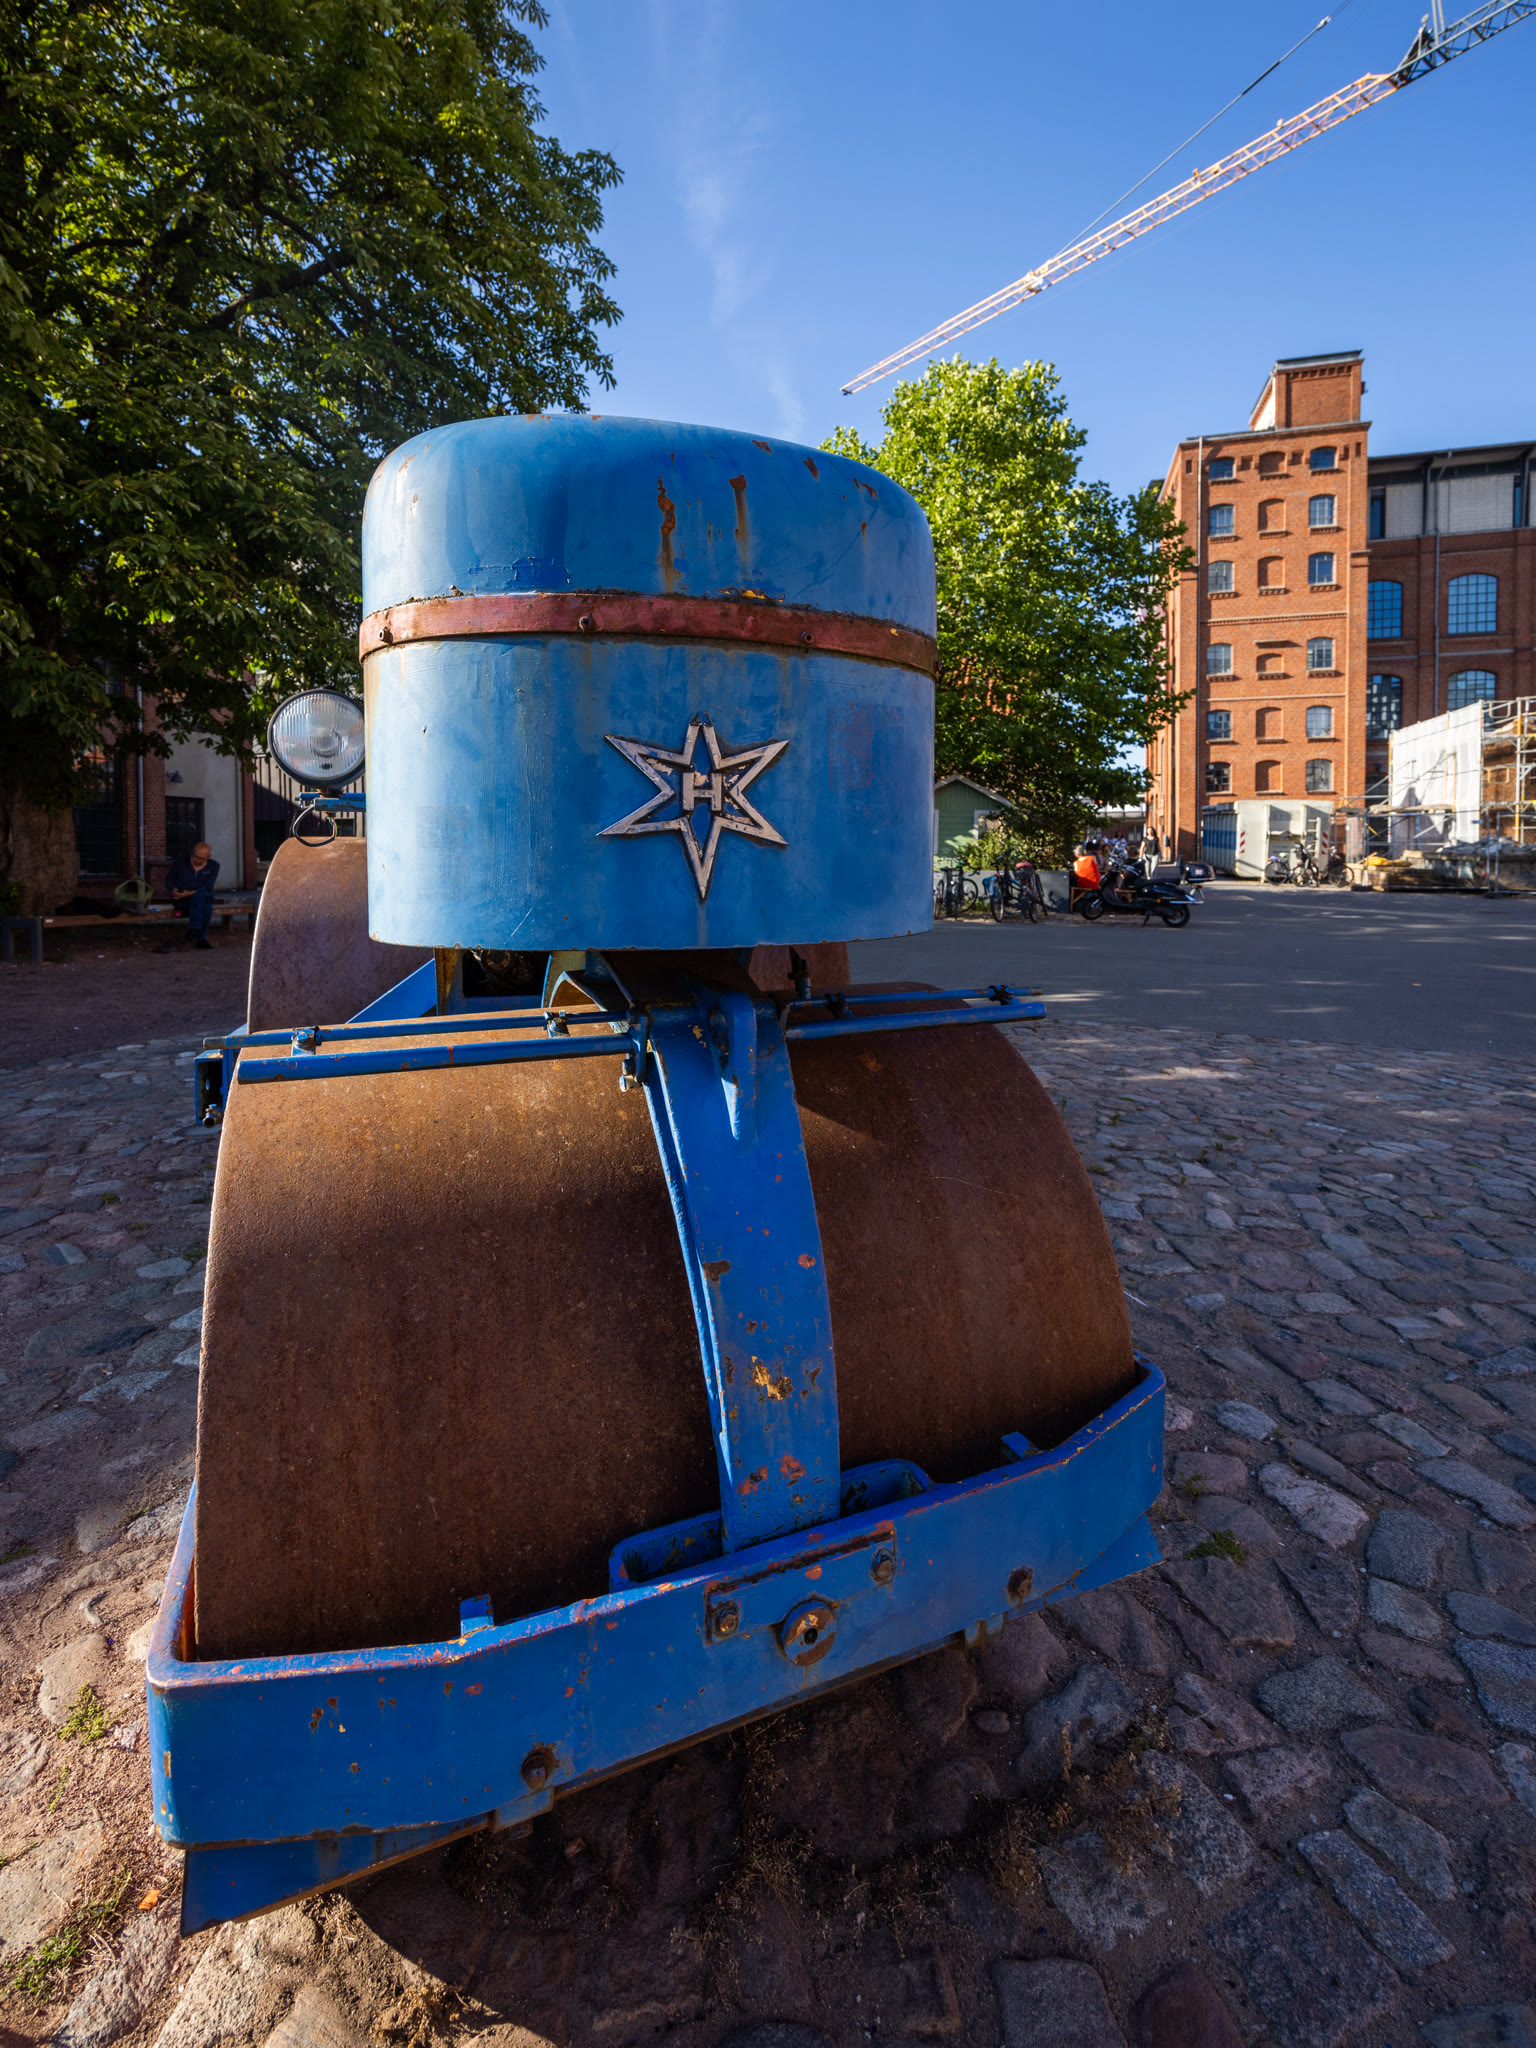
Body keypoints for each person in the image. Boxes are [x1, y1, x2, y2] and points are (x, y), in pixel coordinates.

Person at [158, 841, 219, 951]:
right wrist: (173, 890)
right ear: (192, 854)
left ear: (208, 857)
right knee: (206, 907)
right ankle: (201, 939)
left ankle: (193, 931)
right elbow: (168, 881)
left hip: (199, 896)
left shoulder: (214, 866)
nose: (198, 860)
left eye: (201, 859)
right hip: (182, 898)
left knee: (200, 895)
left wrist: (190, 893)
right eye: (196, 857)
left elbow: (208, 886)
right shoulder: (180, 862)